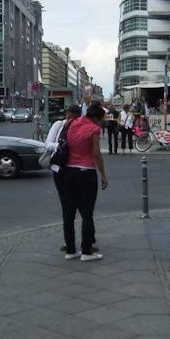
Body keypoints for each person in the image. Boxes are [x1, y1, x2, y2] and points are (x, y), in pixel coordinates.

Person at [63, 100, 108, 261]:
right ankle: (86, 251)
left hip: (70, 171)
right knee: (87, 212)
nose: (101, 122)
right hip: (86, 171)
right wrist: (103, 175)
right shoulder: (93, 129)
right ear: (96, 118)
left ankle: (70, 250)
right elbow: (96, 154)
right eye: (101, 119)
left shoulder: (72, 123)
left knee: (69, 211)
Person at [45, 104, 83, 251]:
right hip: (60, 169)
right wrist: (61, 146)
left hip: (76, 169)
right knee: (66, 205)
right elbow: (47, 144)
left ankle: (89, 239)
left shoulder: (81, 127)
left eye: (72, 117)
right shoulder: (58, 125)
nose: (69, 119)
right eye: (68, 116)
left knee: (81, 205)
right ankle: (69, 242)